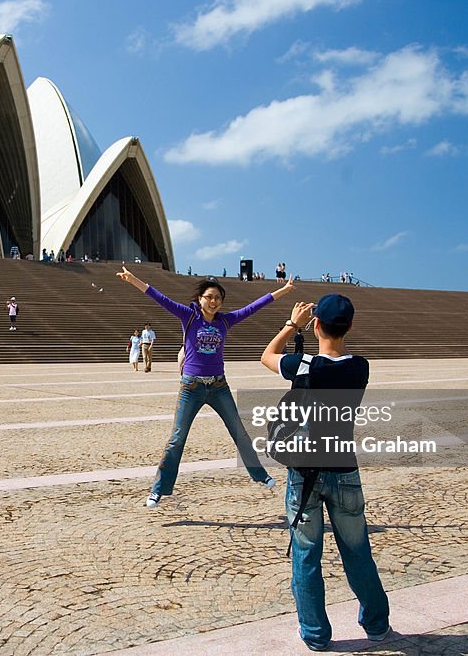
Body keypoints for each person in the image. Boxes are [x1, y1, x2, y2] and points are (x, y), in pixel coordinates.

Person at [260, 294, 391, 651]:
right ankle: (377, 624)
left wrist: (291, 324)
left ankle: (316, 634)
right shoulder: (360, 367)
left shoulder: (304, 366)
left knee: (306, 555)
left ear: (316, 324)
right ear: (349, 326)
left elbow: (266, 356)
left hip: (305, 472)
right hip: (345, 469)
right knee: (358, 550)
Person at [117, 266, 294, 507]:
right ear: (200, 299)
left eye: (218, 298)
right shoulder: (188, 316)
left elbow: (253, 307)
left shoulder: (225, 321)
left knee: (240, 432)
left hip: (219, 386)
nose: (213, 301)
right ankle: (158, 489)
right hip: (191, 387)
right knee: (177, 439)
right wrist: (132, 280)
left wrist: (283, 290)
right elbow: (159, 298)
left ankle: (260, 475)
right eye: (209, 297)